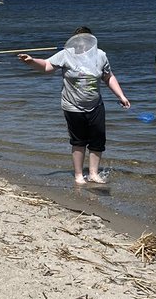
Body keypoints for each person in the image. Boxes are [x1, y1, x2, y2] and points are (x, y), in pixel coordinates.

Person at [18, 27, 130, 184]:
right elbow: (46, 66)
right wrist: (31, 61)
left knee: (98, 140)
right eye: (79, 41)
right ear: (74, 42)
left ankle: (93, 173)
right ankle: (78, 175)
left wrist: (121, 96)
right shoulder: (66, 55)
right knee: (78, 141)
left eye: (85, 41)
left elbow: (108, 77)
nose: (82, 44)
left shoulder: (100, 55)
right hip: (72, 106)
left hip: (95, 105)